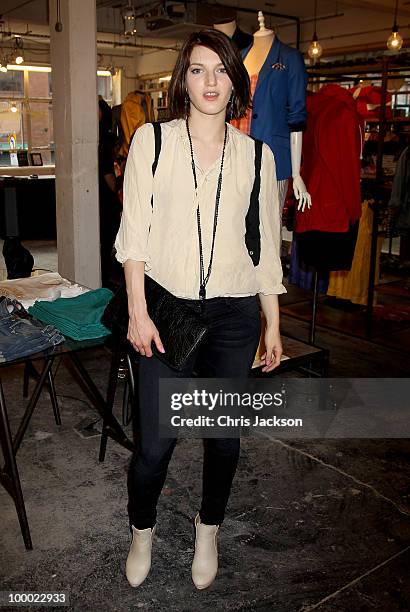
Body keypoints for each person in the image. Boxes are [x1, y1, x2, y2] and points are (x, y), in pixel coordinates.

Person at [114, 29, 286, 590]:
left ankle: (207, 528)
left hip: (234, 318)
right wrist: (138, 313)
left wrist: (272, 325)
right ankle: (143, 530)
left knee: (224, 439)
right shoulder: (152, 143)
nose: (210, 81)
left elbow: (263, 248)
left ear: (235, 80)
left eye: (220, 70)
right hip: (165, 314)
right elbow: (133, 238)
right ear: (182, 80)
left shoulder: (258, 157)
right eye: (197, 69)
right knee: (154, 445)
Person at [98, 97, 121, 288]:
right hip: (106, 199)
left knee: (106, 242)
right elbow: (108, 175)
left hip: (103, 198)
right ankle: (106, 278)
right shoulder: (104, 140)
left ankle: (106, 277)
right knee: (107, 242)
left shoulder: (103, 138)